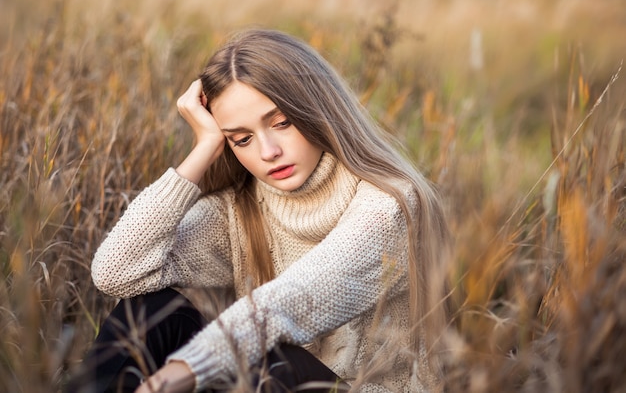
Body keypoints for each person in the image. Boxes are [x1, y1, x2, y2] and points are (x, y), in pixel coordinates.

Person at [69, 28, 450, 393]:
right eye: (242, 138)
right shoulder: (241, 209)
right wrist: (204, 148)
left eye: (281, 122)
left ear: (317, 107)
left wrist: (178, 374)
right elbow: (117, 273)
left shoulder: (391, 203)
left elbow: (290, 301)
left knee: (275, 361)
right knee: (148, 312)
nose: (268, 151)